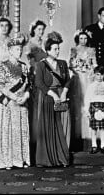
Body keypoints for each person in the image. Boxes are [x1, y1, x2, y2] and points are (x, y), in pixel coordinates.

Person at [34, 31, 71, 167]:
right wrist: (53, 94)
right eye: (55, 49)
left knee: (62, 126)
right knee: (49, 127)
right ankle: (48, 159)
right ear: (47, 50)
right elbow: (39, 83)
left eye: (58, 49)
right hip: (48, 99)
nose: (58, 51)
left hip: (62, 97)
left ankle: (62, 157)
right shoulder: (41, 65)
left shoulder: (63, 63)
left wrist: (64, 93)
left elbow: (67, 80)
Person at [0, 34, 30, 169]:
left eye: (20, 49)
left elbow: (29, 84)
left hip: (22, 102)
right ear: (9, 50)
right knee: (9, 131)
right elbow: (1, 85)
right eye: (16, 49)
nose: (19, 52)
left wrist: (25, 96)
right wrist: (14, 97)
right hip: (9, 101)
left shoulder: (24, 66)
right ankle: (8, 160)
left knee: (21, 131)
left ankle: (21, 159)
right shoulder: (4, 65)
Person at [24, 19, 47, 165]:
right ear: (34, 30)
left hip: (43, 75)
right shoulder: (30, 43)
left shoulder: (43, 43)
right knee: (35, 106)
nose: (41, 32)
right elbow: (28, 61)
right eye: (39, 29)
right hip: (34, 75)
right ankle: (34, 139)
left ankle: (42, 139)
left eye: (42, 29)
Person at [68, 29, 97, 142]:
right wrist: (76, 69)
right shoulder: (73, 50)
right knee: (77, 102)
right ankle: (77, 131)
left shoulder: (91, 50)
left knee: (87, 101)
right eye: (81, 38)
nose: (83, 41)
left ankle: (89, 132)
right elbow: (70, 64)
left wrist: (91, 71)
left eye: (85, 38)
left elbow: (94, 64)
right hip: (77, 77)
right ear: (77, 39)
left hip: (88, 77)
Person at [84, 65, 104, 154]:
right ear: (94, 74)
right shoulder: (91, 86)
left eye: (101, 75)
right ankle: (94, 145)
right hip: (93, 106)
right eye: (97, 74)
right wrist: (87, 109)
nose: (99, 77)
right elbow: (87, 98)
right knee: (93, 128)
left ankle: (103, 145)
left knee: (102, 128)